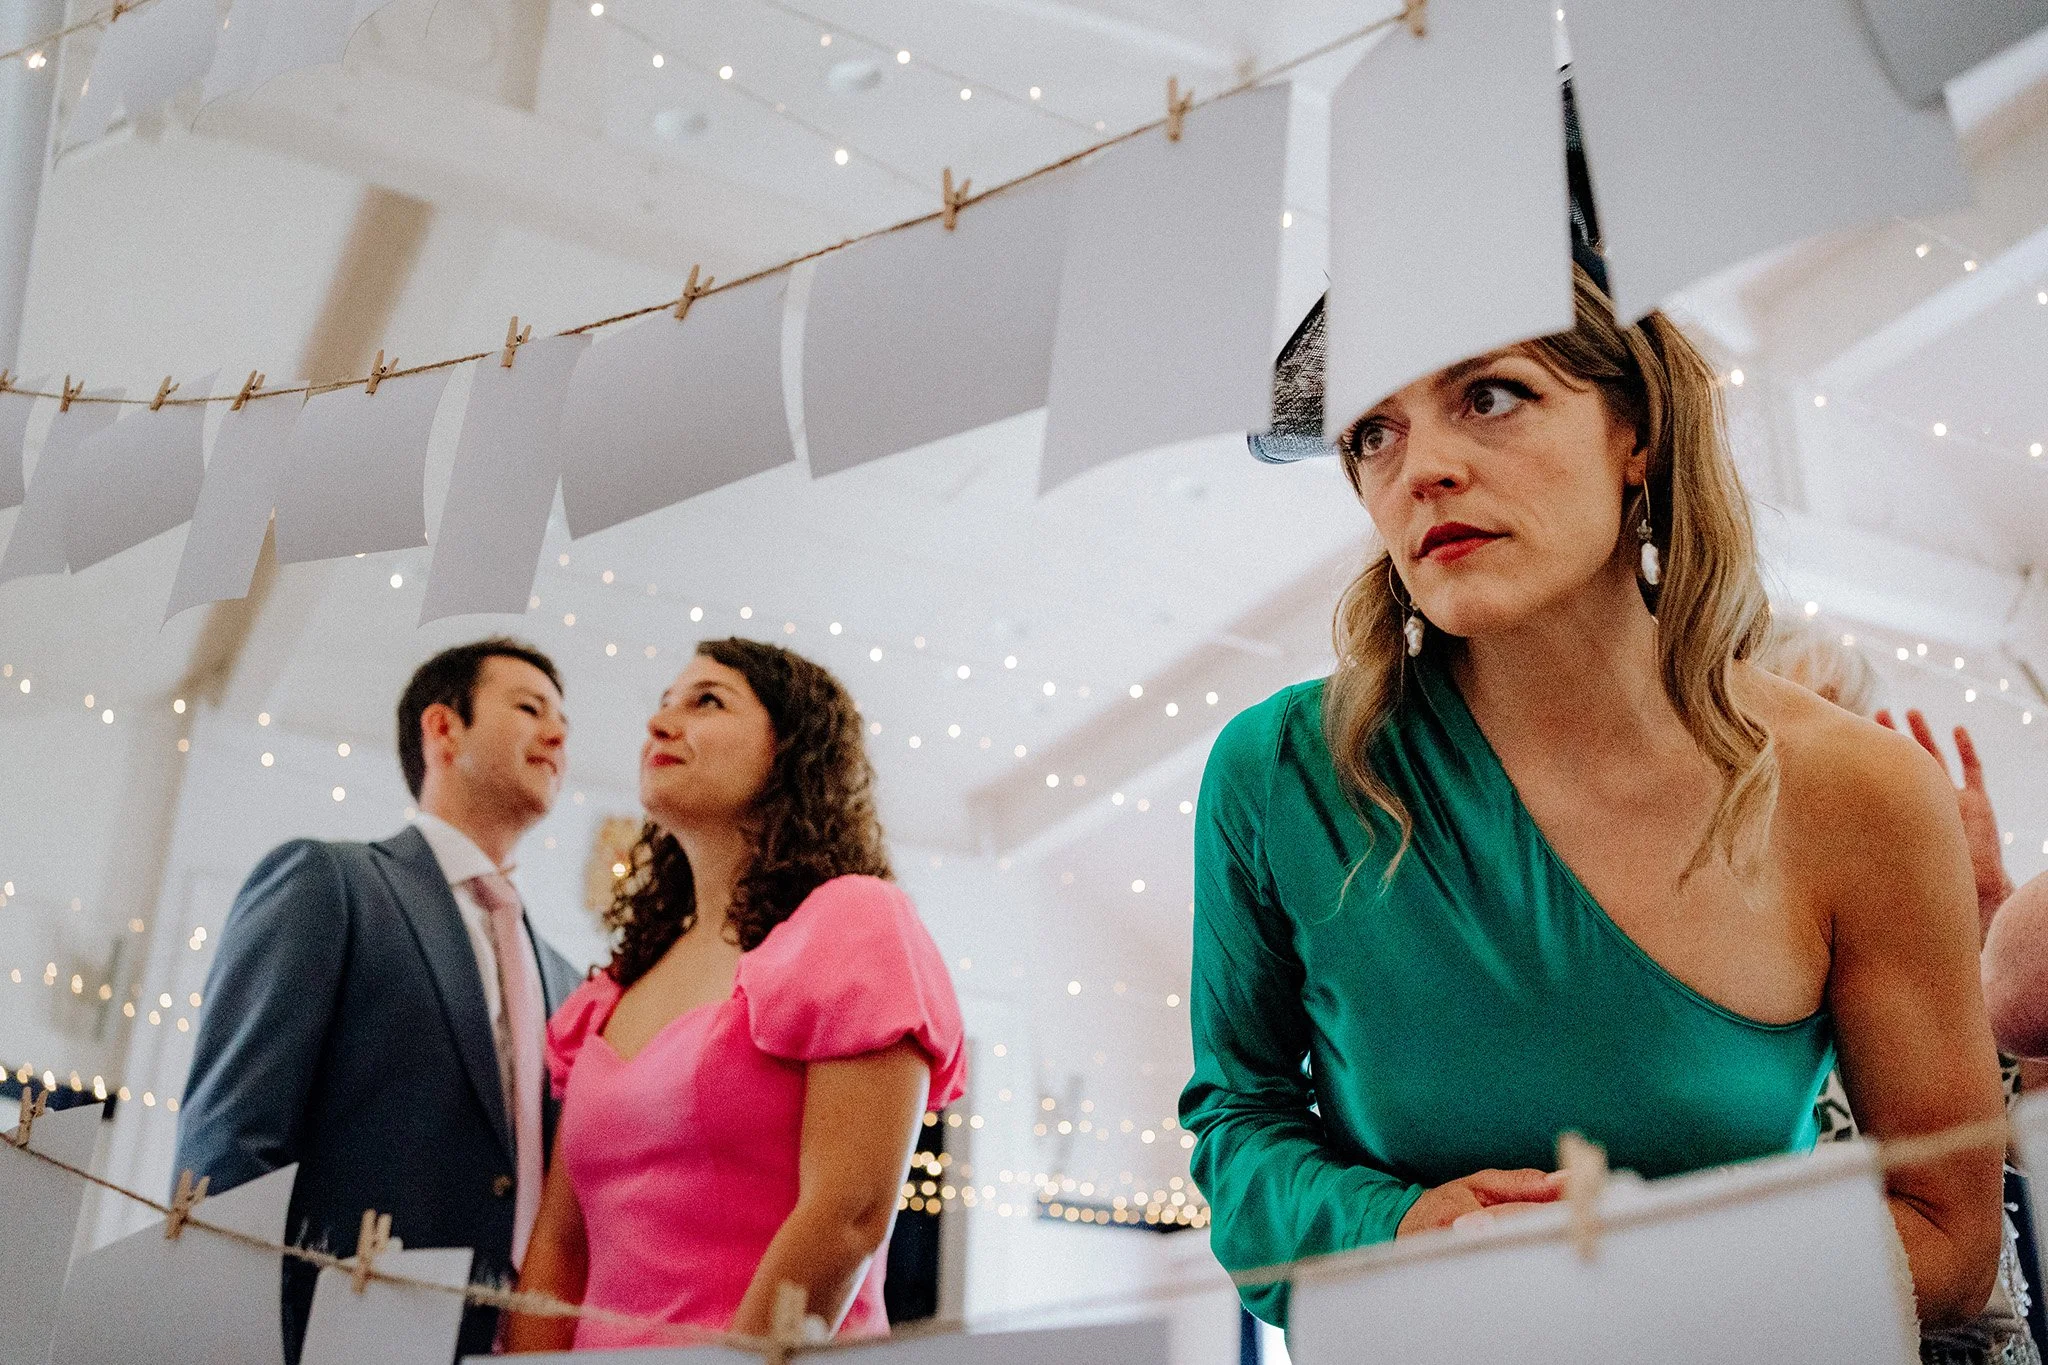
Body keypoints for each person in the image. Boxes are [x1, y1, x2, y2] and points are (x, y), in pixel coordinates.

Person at [1185, 258, 2005, 1332]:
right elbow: (1237, 1124)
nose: (1420, 467)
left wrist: (1639, 1274)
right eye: (1371, 433)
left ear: (1636, 433)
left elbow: (1947, 1240)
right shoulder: (1279, 772)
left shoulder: (1856, 791)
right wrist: (1398, 1232)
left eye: (1489, 396)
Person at [506, 638, 965, 1352]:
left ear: (791, 752)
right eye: (662, 706)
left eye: (706, 700)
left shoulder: (852, 922)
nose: (661, 724)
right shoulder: (611, 991)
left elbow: (849, 1215)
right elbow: (560, 1247)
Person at [176, 639, 584, 1362]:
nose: (557, 735)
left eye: (564, 723)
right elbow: (231, 1140)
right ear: (443, 728)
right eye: (530, 708)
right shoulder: (331, 884)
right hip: (333, 1334)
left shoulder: (565, 977)